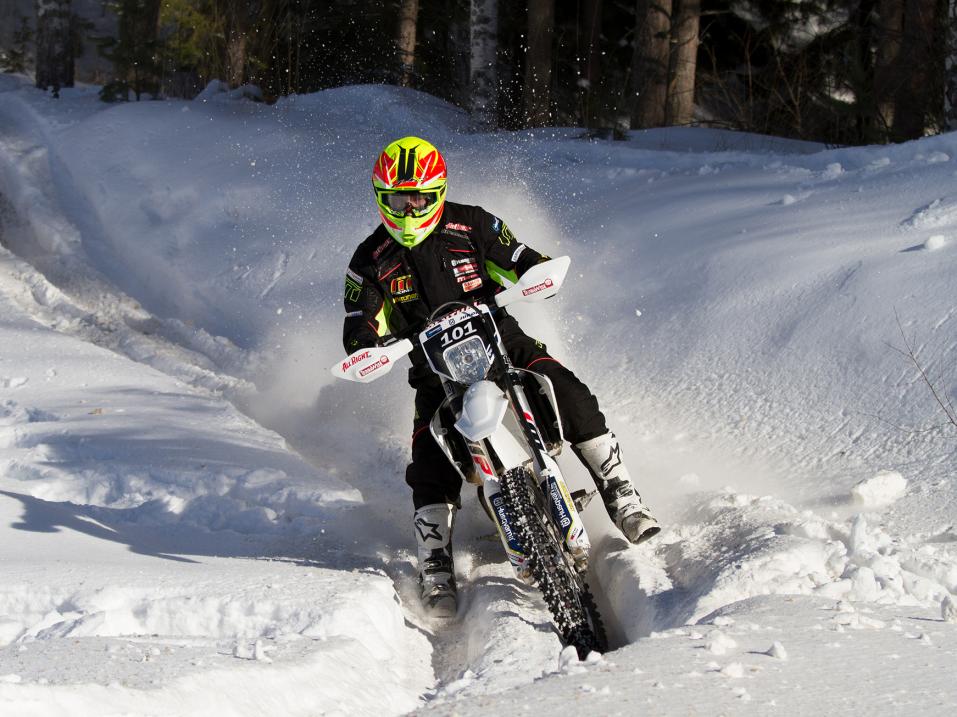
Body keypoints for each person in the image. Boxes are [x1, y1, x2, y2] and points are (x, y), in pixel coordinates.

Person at [341, 136, 660, 615]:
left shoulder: (472, 223)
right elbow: (358, 321)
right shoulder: (369, 259)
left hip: (499, 340)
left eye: (418, 199)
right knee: (427, 459)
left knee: (569, 391)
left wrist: (539, 272)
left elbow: (520, 256)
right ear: (380, 197)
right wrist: (366, 349)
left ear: (437, 192)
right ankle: (435, 563)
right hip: (432, 368)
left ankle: (621, 492)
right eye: (397, 200)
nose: (409, 210)